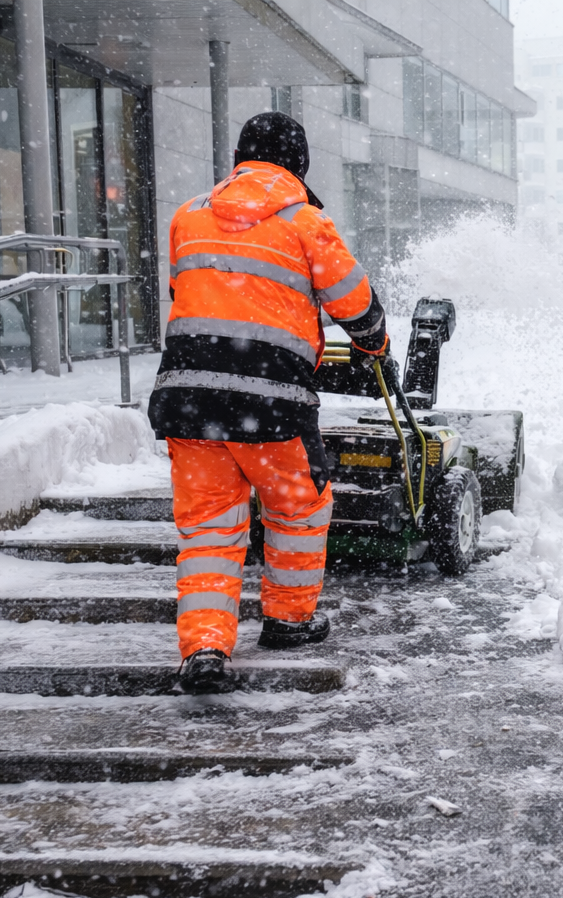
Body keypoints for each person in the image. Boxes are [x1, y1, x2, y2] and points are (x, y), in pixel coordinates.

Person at [148, 112, 388, 693]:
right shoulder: (306, 221)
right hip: (272, 400)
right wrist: (375, 340)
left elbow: (189, 294)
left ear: (240, 157)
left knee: (207, 527)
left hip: (188, 398)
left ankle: (205, 648)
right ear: (299, 165)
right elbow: (353, 302)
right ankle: (287, 620)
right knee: (298, 508)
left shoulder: (188, 215)